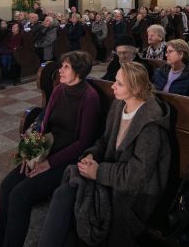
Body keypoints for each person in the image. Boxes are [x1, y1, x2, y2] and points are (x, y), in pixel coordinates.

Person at [38, 62, 171, 247]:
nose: (112, 86)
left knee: (72, 203)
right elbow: (104, 140)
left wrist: (98, 172)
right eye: (115, 81)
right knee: (65, 195)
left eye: (119, 83)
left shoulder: (150, 124)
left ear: (137, 88)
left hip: (134, 194)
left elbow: (137, 175)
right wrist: (91, 155)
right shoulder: (119, 106)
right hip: (110, 177)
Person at [0, 51, 101, 247]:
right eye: (61, 65)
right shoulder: (59, 90)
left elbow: (83, 142)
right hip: (47, 150)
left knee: (21, 194)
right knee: (7, 185)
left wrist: (48, 164)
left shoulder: (90, 97)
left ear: (78, 71)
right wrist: (30, 151)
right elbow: (44, 123)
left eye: (66, 67)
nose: (60, 70)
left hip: (67, 159)